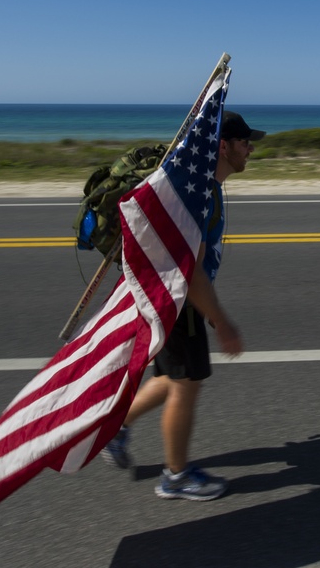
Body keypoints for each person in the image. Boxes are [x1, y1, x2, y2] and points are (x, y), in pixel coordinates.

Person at [101, 111, 266, 501]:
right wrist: (221, 321)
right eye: (245, 142)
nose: (251, 148)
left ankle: (115, 429)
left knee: (173, 378)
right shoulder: (200, 195)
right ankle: (175, 476)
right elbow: (190, 272)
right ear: (222, 146)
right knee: (186, 386)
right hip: (181, 303)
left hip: (170, 299)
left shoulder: (202, 188)